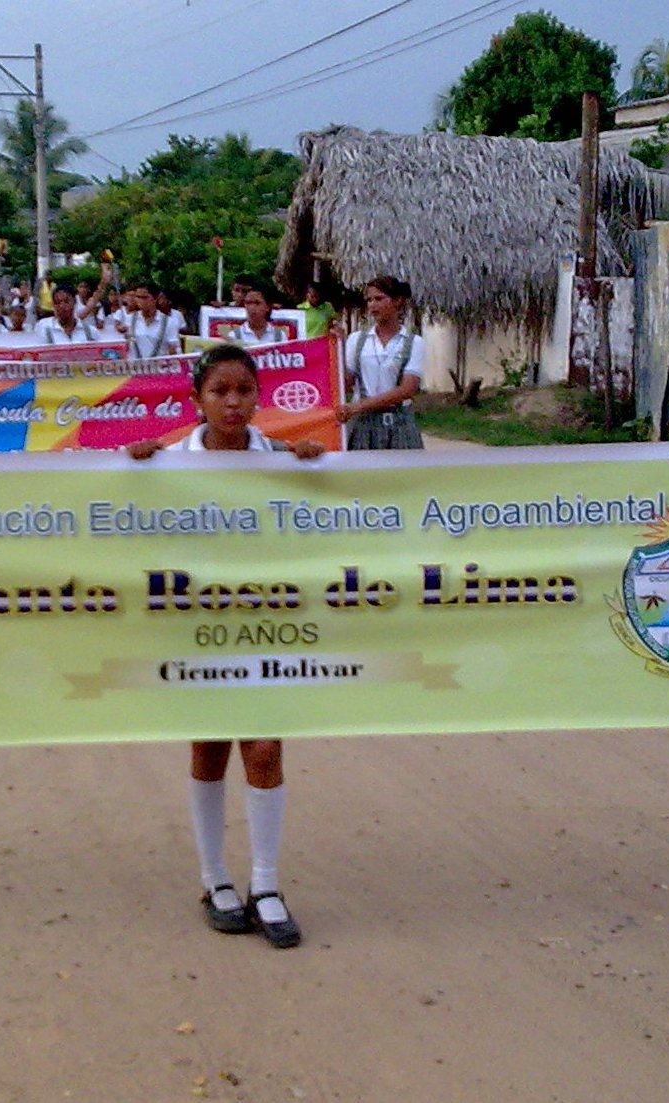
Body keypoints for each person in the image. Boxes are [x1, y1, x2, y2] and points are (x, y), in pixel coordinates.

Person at [128, 344, 323, 948]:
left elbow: (327, 513)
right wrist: (135, 464)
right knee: (210, 745)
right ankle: (215, 879)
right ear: (198, 400)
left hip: (264, 623)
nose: (233, 402)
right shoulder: (170, 462)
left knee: (264, 747)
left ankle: (265, 884)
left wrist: (310, 463)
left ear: (259, 397)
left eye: (243, 390)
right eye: (219, 391)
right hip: (196, 624)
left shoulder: (279, 458)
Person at [336, 275, 424, 450]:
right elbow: (346, 383)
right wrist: (338, 349)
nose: (372, 305)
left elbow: (407, 389)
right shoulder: (357, 340)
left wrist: (359, 406)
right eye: (369, 300)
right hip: (363, 424)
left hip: (399, 424)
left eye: (379, 298)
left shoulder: (414, 342)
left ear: (397, 301)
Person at [119, 280, 181, 359]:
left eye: (144, 298)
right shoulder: (129, 319)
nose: (140, 301)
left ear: (155, 299)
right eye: (138, 297)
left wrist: (173, 352)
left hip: (159, 364)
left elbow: (175, 349)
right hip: (135, 364)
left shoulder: (169, 322)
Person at [33, 285, 100, 345]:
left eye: (66, 301)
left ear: (74, 302)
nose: (62, 306)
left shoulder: (91, 332)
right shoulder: (44, 330)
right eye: (57, 302)